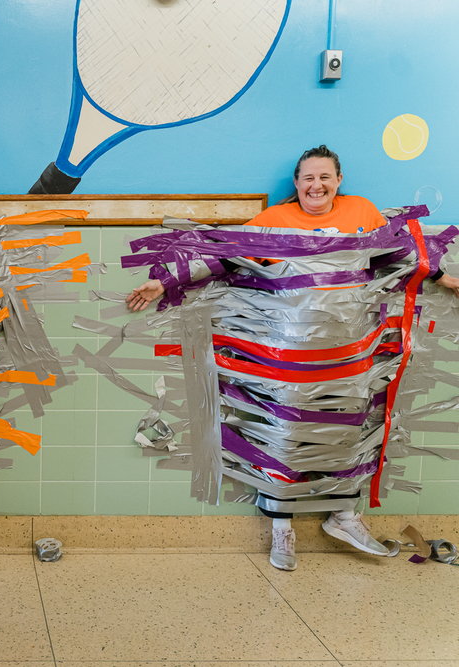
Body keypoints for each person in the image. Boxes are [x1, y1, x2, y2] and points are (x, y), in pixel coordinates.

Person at [127, 145, 459, 571]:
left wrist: (444, 278)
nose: (316, 186)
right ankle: (281, 528)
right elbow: (224, 257)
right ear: (297, 184)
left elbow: (399, 254)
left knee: (350, 431)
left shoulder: (363, 213)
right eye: (308, 178)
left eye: (324, 177)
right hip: (288, 358)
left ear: (339, 180)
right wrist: (164, 283)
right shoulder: (274, 222)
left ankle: (344, 517)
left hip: (352, 354)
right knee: (284, 435)